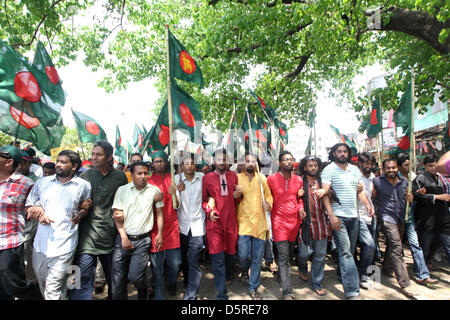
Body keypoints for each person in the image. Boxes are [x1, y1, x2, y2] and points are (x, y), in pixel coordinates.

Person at [25, 150, 92, 300]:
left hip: (65, 244)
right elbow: (29, 205)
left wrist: (80, 214)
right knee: (44, 282)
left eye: (63, 162)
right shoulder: (42, 183)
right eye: (58, 161)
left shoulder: (83, 186)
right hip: (41, 244)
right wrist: (38, 212)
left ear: (74, 166)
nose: (58, 164)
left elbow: (85, 208)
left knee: (53, 286)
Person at [69, 141, 128, 300]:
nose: (93, 157)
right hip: (86, 237)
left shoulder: (120, 177)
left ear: (109, 157)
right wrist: (81, 206)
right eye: (93, 154)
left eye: (98, 154)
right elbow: (74, 202)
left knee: (116, 282)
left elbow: (124, 202)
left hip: (111, 236)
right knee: (79, 278)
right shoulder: (85, 176)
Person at [317, 143, 374, 300]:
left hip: (354, 217)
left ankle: (344, 275)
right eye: (339, 151)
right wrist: (332, 216)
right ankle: (352, 290)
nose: (342, 154)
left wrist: (368, 205)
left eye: (345, 151)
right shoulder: (329, 170)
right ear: (334, 153)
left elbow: (359, 191)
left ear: (348, 153)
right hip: (338, 216)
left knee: (350, 250)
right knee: (346, 252)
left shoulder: (355, 170)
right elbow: (325, 194)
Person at [111, 161, 164, 300]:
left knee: (135, 277)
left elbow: (159, 213)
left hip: (142, 241)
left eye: (146, 173)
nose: (143, 176)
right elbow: (117, 216)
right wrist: (123, 237)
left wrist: (160, 233)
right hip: (123, 238)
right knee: (117, 280)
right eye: (139, 173)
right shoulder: (122, 191)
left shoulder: (154, 191)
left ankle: (143, 289)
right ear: (132, 174)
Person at [0, 145, 42, 300]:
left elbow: (36, 205)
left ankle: (36, 295)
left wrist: (35, 208)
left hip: (10, 240)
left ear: (9, 162)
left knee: (12, 280)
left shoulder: (26, 184)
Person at [373, 158, 415, 297]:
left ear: (397, 168)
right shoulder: (378, 182)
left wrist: (410, 198)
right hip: (386, 217)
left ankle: (387, 268)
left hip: (401, 217)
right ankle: (405, 283)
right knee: (397, 247)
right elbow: (372, 196)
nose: (391, 170)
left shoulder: (405, 182)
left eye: (394, 167)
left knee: (394, 244)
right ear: (383, 169)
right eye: (388, 168)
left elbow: (408, 197)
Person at [234, 153, 273, 300]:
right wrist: (235, 194)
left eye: (253, 161)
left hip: (260, 225)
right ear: (242, 164)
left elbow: (269, 196)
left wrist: (268, 204)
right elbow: (233, 198)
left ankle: (253, 287)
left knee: (257, 258)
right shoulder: (237, 178)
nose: (250, 164)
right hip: (243, 224)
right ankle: (244, 270)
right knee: (243, 255)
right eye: (247, 161)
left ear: (256, 163)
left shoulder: (262, 178)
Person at [267, 151, 305, 300]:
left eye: (291, 160)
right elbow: (267, 197)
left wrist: (301, 209)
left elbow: (299, 200)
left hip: (294, 223)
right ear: (280, 163)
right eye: (286, 160)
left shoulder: (299, 180)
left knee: (288, 255)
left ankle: (280, 274)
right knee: (284, 259)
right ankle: (287, 292)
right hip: (278, 223)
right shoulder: (271, 179)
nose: (289, 162)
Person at [202, 148, 238, 300]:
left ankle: (228, 275)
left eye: (224, 159)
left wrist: (239, 196)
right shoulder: (207, 178)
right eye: (218, 159)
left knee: (230, 254)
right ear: (213, 161)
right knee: (217, 259)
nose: (222, 162)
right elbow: (204, 200)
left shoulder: (233, 176)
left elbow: (236, 199)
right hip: (215, 223)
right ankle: (221, 294)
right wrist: (208, 211)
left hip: (231, 222)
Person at [397, 153, 438, 284]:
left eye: (410, 165)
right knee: (395, 246)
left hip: (409, 217)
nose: (409, 167)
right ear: (399, 166)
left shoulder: (414, 178)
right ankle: (390, 268)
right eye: (406, 165)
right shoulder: (393, 178)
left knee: (416, 245)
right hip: (396, 219)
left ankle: (423, 274)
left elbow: (416, 196)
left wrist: (415, 194)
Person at [297, 156, 335, 296]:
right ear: (305, 167)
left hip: (321, 224)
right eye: (310, 165)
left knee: (320, 255)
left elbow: (334, 195)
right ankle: (302, 268)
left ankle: (316, 282)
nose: (313, 168)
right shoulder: (299, 181)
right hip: (305, 225)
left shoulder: (322, 181)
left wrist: (326, 191)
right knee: (303, 254)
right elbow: (291, 198)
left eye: (315, 165)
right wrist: (297, 195)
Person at [148, 150, 181, 299]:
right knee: (157, 266)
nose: (159, 164)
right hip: (155, 228)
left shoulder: (172, 178)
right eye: (156, 161)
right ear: (152, 164)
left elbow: (178, 205)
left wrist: (175, 194)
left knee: (174, 264)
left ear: (166, 163)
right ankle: (159, 293)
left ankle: (172, 283)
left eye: (161, 161)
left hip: (172, 226)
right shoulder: (148, 181)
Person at [175, 154, 205, 300]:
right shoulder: (177, 179)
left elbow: (209, 195)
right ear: (182, 165)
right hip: (182, 226)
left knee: (194, 260)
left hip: (198, 225)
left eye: (192, 163)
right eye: (186, 163)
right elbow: (175, 204)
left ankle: (191, 294)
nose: (189, 166)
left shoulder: (203, 178)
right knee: (184, 259)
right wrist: (176, 191)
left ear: (196, 165)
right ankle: (187, 283)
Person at [412, 155, 450, 267]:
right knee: (425, 243)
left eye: (435, 165)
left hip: (442, 216)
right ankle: (421, 266)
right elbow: (416, 196)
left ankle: (427, 260)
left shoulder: (442, 177)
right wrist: (437, 197)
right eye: (430, 166)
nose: (433, 168)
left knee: (441, 241)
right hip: (427, 218)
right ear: (425, 166)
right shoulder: (421, 178)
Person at [355, 152, 376, 289]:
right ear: (360, 164)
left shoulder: (373, 177)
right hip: (357, 215)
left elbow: (371, 194)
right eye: (366, 163)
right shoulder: (355, 176)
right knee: (369, 245)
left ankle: (364, 273)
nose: (369, 166)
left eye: (371, 164)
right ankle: (362, 274)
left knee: (368, 247)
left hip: (370, 216)